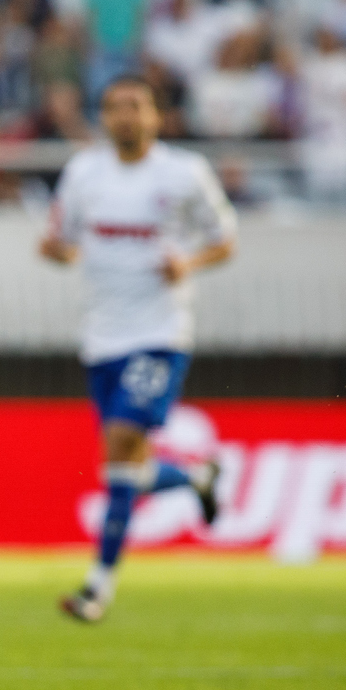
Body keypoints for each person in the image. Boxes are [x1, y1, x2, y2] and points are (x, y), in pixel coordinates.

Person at [39, 75, 237, 623]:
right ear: (104, 117)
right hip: (101, 338)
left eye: (135, 106)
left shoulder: (184, 173)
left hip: (159, 333)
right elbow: (64, 240)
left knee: (121, 442)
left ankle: (97, 588)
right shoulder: (84, 173)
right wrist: (54, 250)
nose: (124, 116)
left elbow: (224, 239)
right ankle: (196, 477)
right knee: (124, 466)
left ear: (156, 115)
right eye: (114, 107)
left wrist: (187, 263)